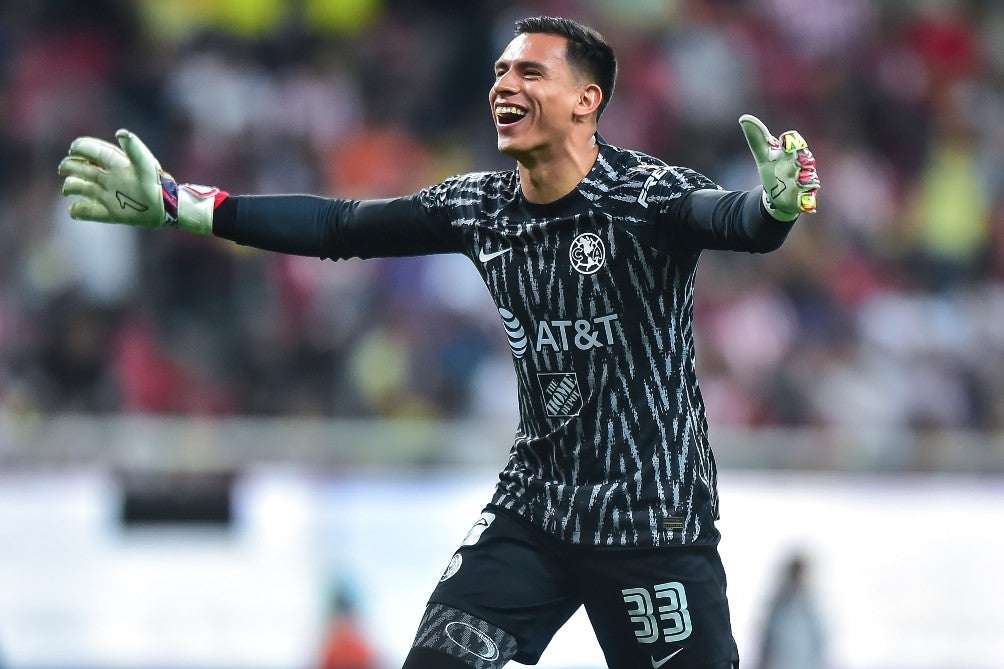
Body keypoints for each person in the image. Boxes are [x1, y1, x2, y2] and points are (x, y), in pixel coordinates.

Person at [59, 15, 819, 669]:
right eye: (500, 72)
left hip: (650, 521)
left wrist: (776, 206)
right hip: (535, 514)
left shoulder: (645, 196)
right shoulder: (479, 207)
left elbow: (736, 222)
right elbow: (340, 227)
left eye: (530, 72)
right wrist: (182, 204)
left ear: (587, 101)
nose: (504, 85)